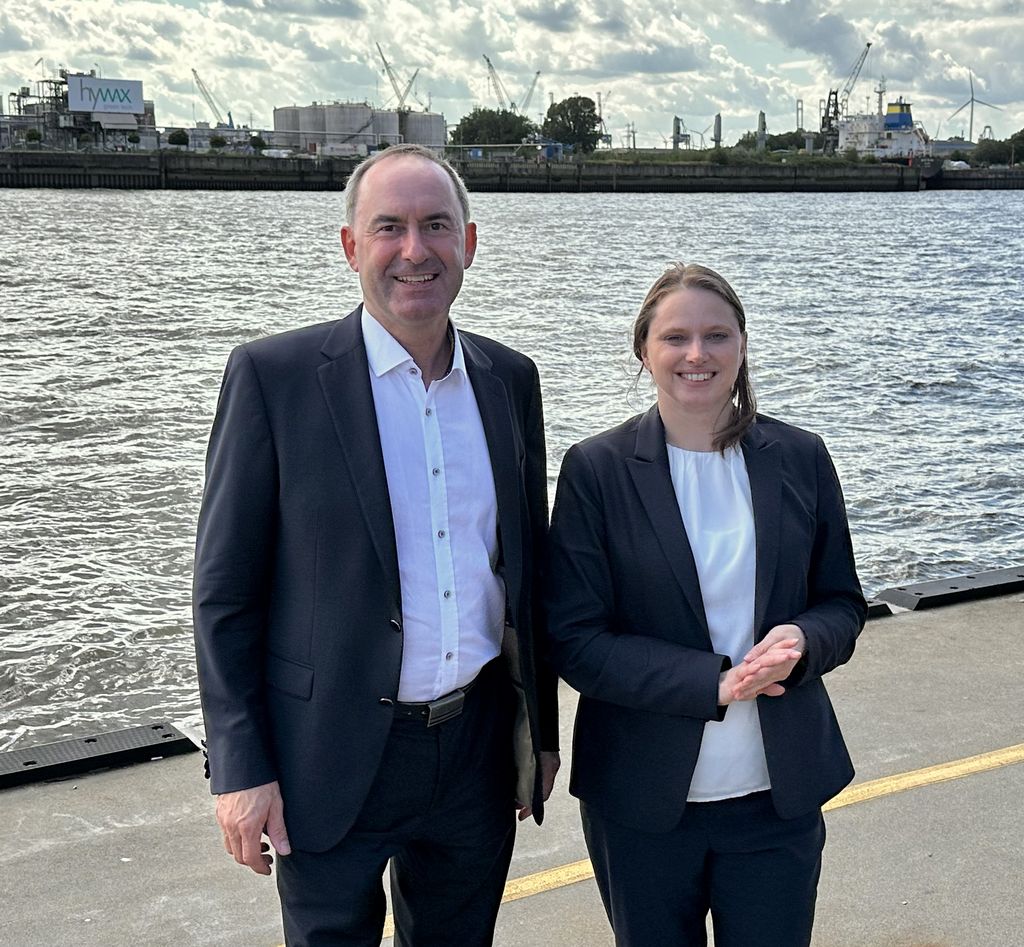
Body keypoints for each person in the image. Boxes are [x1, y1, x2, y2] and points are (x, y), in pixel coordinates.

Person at [193, 143, 560, 947]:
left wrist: (540, 737)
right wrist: (240, 765)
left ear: (469, 240)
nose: (415, 250)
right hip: (327, 754)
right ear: (351, 247)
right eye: (388, 228)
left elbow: (525, 575)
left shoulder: (511, 380)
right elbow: (225, 595)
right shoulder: (273, 378)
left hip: (475, 753)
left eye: (435, 226)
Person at [545, 262, 866, 947]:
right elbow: (575, 638)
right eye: (676, 337)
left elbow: (841, 602)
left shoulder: (801, 457)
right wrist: (712, 683)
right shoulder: (595, 471)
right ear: (645, 351)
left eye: (717, 335)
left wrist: (804, 641)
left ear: (742, 346)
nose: (697, 354)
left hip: (776, 796)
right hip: (643, 799)